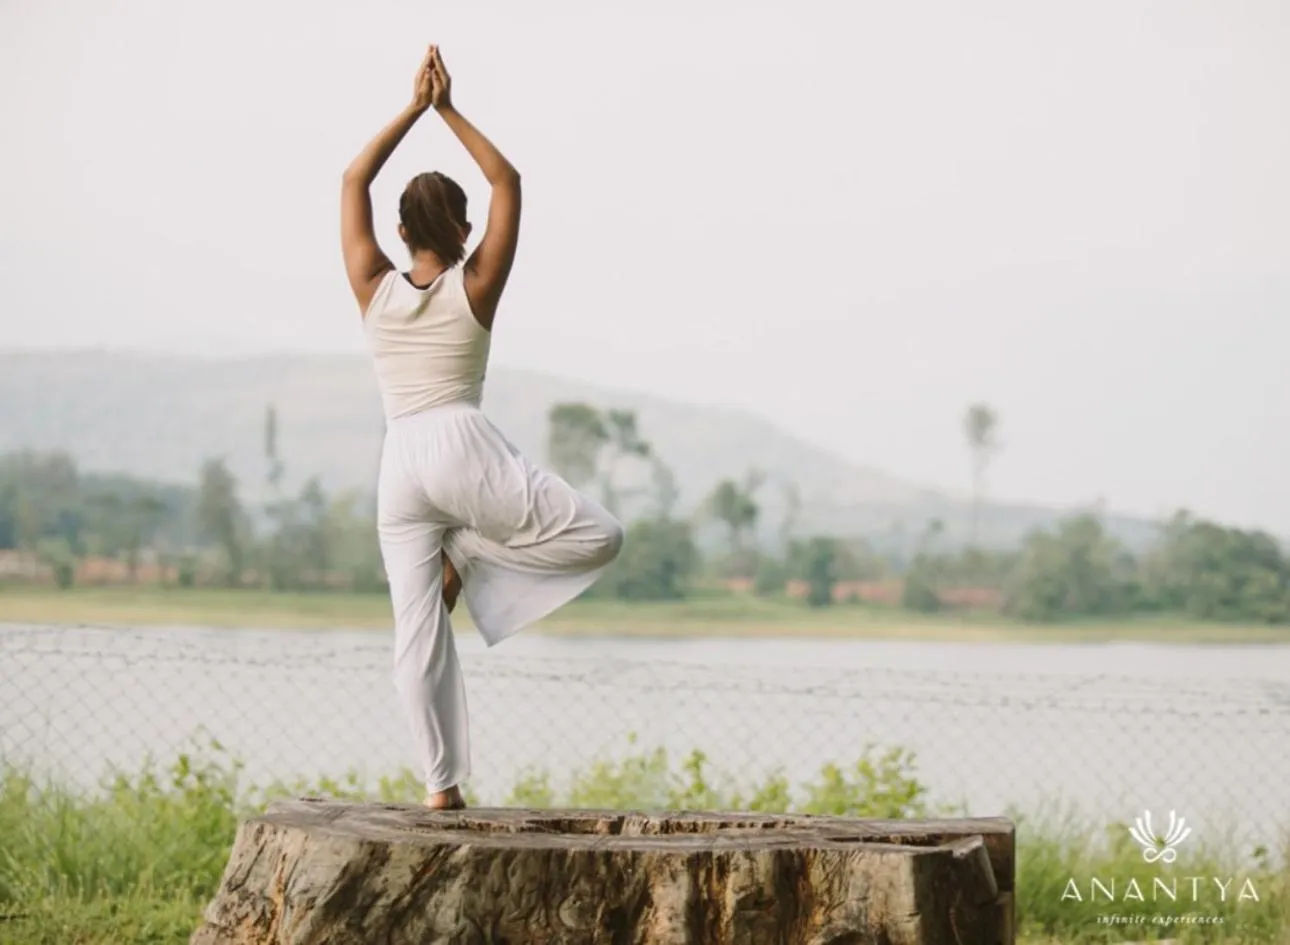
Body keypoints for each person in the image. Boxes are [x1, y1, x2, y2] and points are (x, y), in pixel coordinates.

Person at [340, 45, 624, 810]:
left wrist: (409, 108)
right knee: (600, 536)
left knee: (415, 629)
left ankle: (441, 788)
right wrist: (447, 110)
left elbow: (352, 180)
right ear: (463, 226)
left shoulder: (372, 286)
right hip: (461, 443)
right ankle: (466, 550)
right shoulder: (476, 285)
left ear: (399, 231)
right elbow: (509, 181)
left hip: (399, 459)